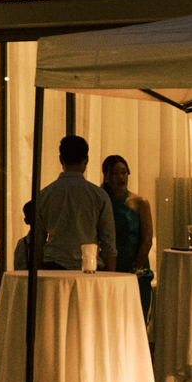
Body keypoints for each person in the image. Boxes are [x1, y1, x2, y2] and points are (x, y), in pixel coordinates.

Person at [34, 135, 112, 270]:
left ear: (61, 159)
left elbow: (37, 241)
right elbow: (108, 241)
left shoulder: (44, 195)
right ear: (86, 159)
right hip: (89, 268)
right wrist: (110, 273)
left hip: (53, 268)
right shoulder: (99, 195)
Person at [101, 154, 155, 315]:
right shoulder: (102, 201)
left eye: (124, 172)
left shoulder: (140, 202)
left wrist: (136, 268)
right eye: (115, 173)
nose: (120, 177)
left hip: (135, 264)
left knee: (136, 314)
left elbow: (147, 240)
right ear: (107, 176)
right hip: (109, 265)